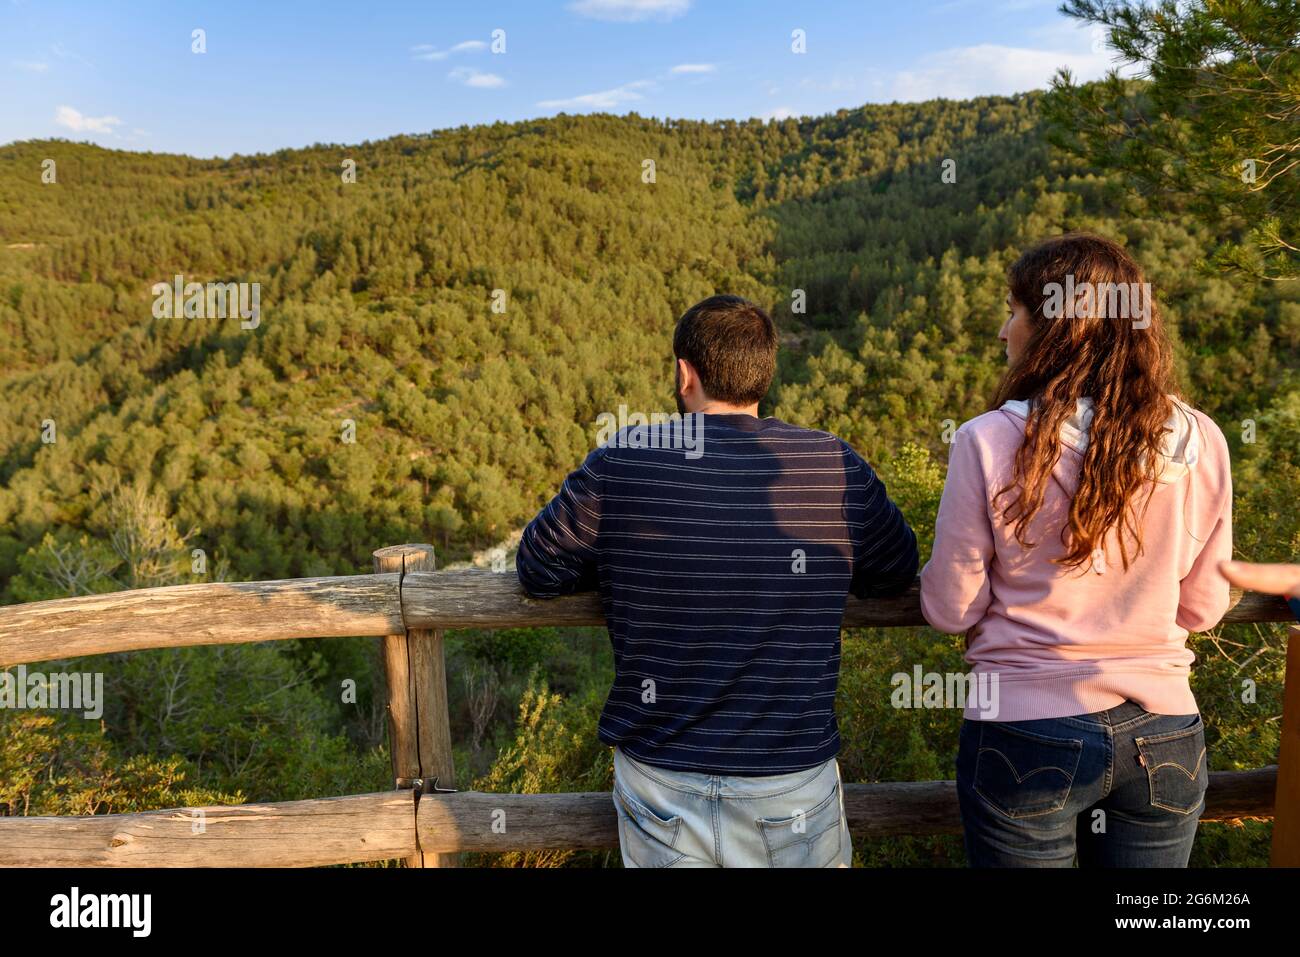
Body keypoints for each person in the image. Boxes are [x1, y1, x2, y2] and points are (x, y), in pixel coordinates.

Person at [516, 294, 918, 867]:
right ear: (765, 372)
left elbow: (538, 568)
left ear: (686, 374)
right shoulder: (834, 464)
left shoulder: (625, 458)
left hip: (661, 777)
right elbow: (896, 570)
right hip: (790, 778)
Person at [920, 233, 1233, 867]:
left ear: (1051, 328)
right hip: (1165, 727)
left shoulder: (987, 440)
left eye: (1014, 312)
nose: (1005, 330)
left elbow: (951, 610)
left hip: (1025, 729)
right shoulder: (1201, 439)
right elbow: (1202, 609)